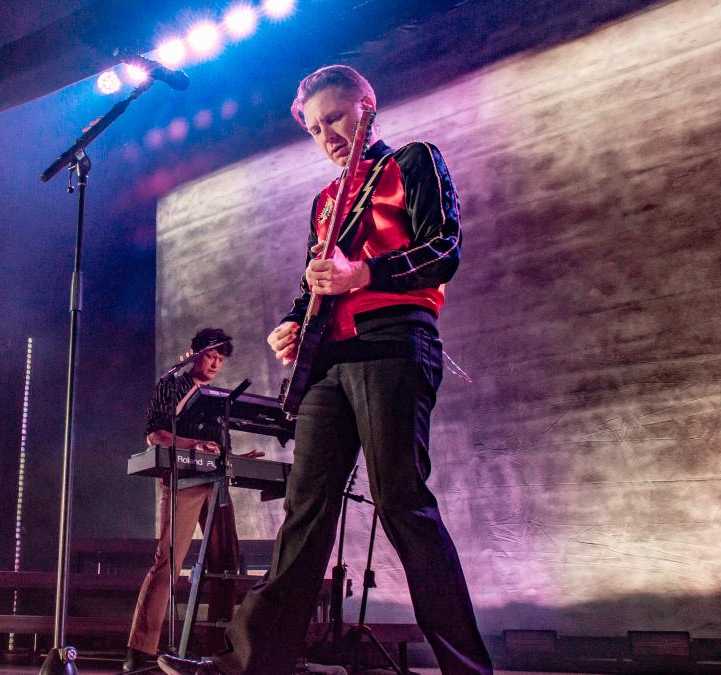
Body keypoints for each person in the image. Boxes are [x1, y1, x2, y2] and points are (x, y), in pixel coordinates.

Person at [159, 66, 492, 675]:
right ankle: (252, 663)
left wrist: (362, 274)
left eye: (336, 118)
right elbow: (317, 281)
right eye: (315, 128)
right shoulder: (324, 203)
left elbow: (444, 248)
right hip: (328, 363)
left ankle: (468, 669)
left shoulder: (413, 160)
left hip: (392, 344)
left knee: (402, 505)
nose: (328, 135)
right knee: (305, 512)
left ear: (368, 106)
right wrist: (292, 321)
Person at [124, 328, 259, 672]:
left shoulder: (217, 396)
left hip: (216, 481)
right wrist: (192, 445)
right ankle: (140, 650)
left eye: (220, 359)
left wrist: (238, 456)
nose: (215, 363)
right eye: (210, 356)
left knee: (225, 566)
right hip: (184, 479)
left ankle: (218, 655)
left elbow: (215, 444)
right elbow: (156, 434)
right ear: (195, 353)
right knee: (167, 561)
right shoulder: (172, 386)